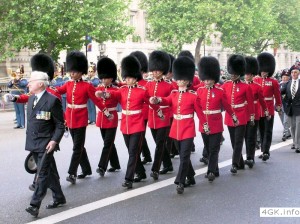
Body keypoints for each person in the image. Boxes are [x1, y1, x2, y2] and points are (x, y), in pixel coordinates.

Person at [54, 51, 111, 184]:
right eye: (71, 71)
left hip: (80, 118)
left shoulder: (87, 86)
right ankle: (86, 169)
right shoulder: (68, 84)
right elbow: (57, 91)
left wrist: (106, 112)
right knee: (78, 146)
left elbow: (96, 101)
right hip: (70, 118)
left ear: (80, 72)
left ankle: (72, 173)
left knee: (77, 148)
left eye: (74, 71)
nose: (71, 73)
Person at [96, 55, 150, 189]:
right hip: (126, 125)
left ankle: (128, 179)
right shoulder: (122, 90)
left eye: (131, 77)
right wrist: (103, 94)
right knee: (131, 151)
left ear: (136, 77)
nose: (128, 80)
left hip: (137, 124)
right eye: (127, 77)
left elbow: (151, 103)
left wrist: (159, 110)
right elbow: (113, 94)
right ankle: (141, 172)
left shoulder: (142, 91)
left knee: (132, 152)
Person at [150, 56, 198, 194]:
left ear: (188, 81)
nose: (180, 82)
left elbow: (200, 113)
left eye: (183, 80)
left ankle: (180, 181)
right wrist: (157, 99)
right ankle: (191, 176)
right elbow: (166, 101)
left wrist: (205, 125)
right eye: (179, 79)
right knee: (184, 156)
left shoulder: (193, 95)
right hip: (175, 129)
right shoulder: (174, 93)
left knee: (184, 156)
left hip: (188, 128)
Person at [24, 71, 66, 217]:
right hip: (33, 142)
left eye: (31, 81)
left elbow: (60, 124)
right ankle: (59, 197)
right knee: (50, 173)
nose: (28, 83)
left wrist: (54, 141)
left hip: (46, 143)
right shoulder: (31, 99)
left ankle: (34, 205)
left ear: (41, 83)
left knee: (41, 173)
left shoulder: (52, 100)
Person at [196, 56, 237, 181]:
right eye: (206, 79)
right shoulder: (199, 90)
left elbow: (227, 106)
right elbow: (198, 109)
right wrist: (203, 123)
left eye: (210, 79)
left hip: (216, 123)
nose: (207, 82)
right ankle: (215, 169)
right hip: (204, 123)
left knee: (214, 149)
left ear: (214, 79)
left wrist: (233, 116)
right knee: (208, 149)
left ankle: (211, 171)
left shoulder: (219, 91)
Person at [222, 54, 255, 173]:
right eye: (232, 73)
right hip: (230, 116)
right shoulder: (225, 85)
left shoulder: (245, 87)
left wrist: (251, 117)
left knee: (238, 140)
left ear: (239, 73)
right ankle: (240, 162)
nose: (233, 75)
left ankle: (234, 164)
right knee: (233, 141)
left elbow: (250, 104)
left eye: (235, 74)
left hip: (241, 115)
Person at [146, 50, 174, 180]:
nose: (155, 72)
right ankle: (168, 165)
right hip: (152, 117)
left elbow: (171, 101)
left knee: (159, 144)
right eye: (154, 70)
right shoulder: (148, 84)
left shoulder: (169, 85)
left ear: (163, 70)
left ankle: (155, 169)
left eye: (158, 70)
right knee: (160, 143)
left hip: (164, 117)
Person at [95, 57, 121, 176]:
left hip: (111, 117)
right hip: (101, 118)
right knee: (109, 142)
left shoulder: (116, 89)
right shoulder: (98, 88)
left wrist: (103, 94)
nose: (104, 80)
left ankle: (102, 166)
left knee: (107, 143)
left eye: (107, 78)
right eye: (103, 78)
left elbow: (113, 95)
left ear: (112, 78)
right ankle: (115, 164)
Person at [254, 52, 282, 161]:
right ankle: (263, 149)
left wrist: (278, 106)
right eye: (262, 71)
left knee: (268, 131)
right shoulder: (256, 80)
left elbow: (277, 95)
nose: (264, 73)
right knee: (261, 131)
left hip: (268, 109)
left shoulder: (273, 81)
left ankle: (266, 151)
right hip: (258, 109)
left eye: (266, 71)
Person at [244, 56, 269, 168]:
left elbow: (262, 101)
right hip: (243, 113)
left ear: (252, 75)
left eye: (248, 74)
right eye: (245, 74)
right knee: (244, 136)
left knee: (251, 137)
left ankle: (250, 157)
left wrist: (266, 112)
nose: (246, 76)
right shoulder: (241, 85)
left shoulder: (257, 87)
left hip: (254, 113)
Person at [130, 51, 153, 165]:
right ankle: (147, 155)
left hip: (143, 113)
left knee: (138, 138)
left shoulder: (145, 83)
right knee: (140, 137)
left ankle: (136, 161)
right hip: (134, 114)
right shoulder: (130, 84)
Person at [281, 67, 300, 152]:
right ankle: (294, 142)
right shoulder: (288, 83)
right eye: (292, 72)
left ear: (298, 73)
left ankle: (298, 145)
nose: (293, 74)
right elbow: (280, 92)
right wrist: (284, 99)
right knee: (292, 126)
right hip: (290, 108)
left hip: (299, 107)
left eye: (295, 72)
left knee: (298, 126)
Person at [279, 69, 292, 141]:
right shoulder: (279, 84)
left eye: (286, 76)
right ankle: (288, 133)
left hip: (287, 105)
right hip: (280, 105)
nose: (284, 78)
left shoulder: (290, 84)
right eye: (283, 76)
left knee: (285, 121)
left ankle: (285, 133)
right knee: (282, 121)